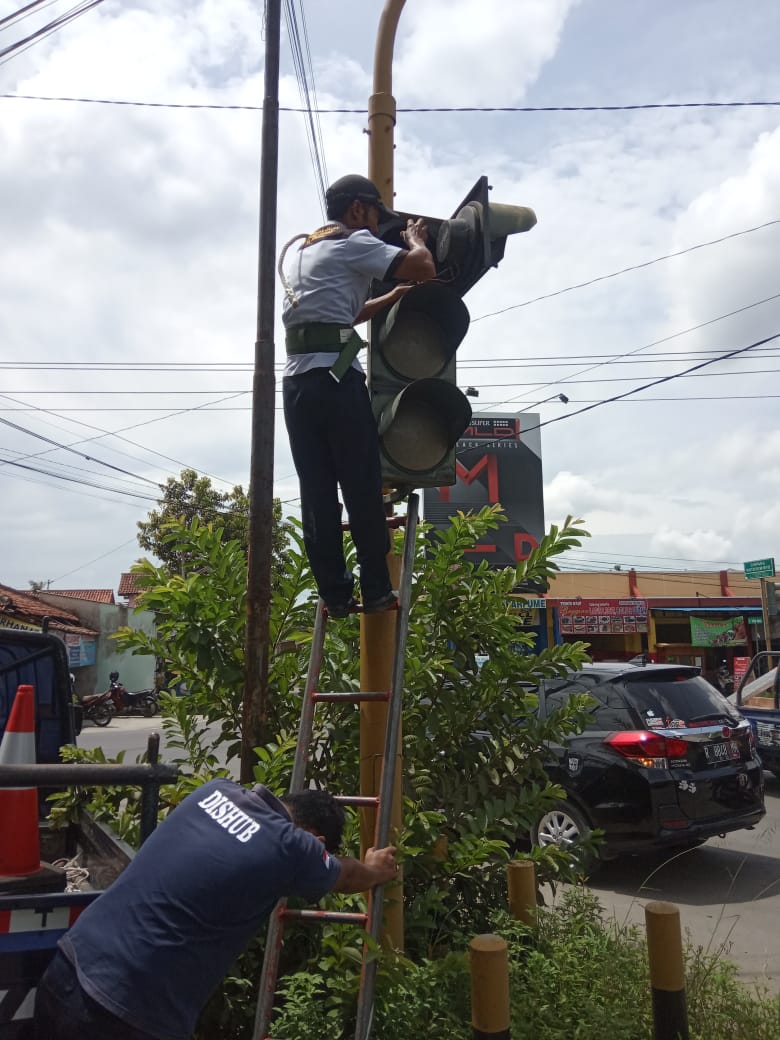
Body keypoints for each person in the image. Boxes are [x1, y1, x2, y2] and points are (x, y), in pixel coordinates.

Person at [33, 779, 399, 1040]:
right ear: (314, 839)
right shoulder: (292, 846)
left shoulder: (215, 791)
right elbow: (347, 875)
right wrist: (374, 868)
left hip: (69, 965)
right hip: (128, 1012)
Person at [280, 173, 436, 618]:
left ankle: (334, 594)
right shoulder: (352, 244)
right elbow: (423, 266)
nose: (374, 225)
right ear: (356, 210)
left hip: (298, 387)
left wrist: (390, 296)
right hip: (337, 381)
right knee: (361, 486)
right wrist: (413, 239)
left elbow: (344, 313)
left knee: (317, 493)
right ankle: (376, 589)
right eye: (374, 214)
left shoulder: (303, 254)